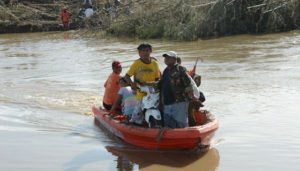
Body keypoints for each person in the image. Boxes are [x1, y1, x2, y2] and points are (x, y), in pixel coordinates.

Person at [158, 51, 199, 128]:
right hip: (167, 102)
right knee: (168, 125)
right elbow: (162, 84)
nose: (166, 59)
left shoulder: (181, 69)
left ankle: (185, 137)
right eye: (165, 57)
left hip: (180, 102)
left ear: (174, 59)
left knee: (181, 124)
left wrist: (192, 97)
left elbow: (188, 85)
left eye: (168, 57)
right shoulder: (166, 70)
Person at [124, 43, 161, 125]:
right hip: (141, 90)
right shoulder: (136, 64)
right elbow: (127, 76)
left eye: (147, 50)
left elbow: (157, 78)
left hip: (153, 90)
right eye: (143, 51)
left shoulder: (155, 63)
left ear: (150, 51)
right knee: (138, 109)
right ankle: (134, 121)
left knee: (157, 106)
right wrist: (132, 84)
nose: (145, 53)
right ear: (139, 53)